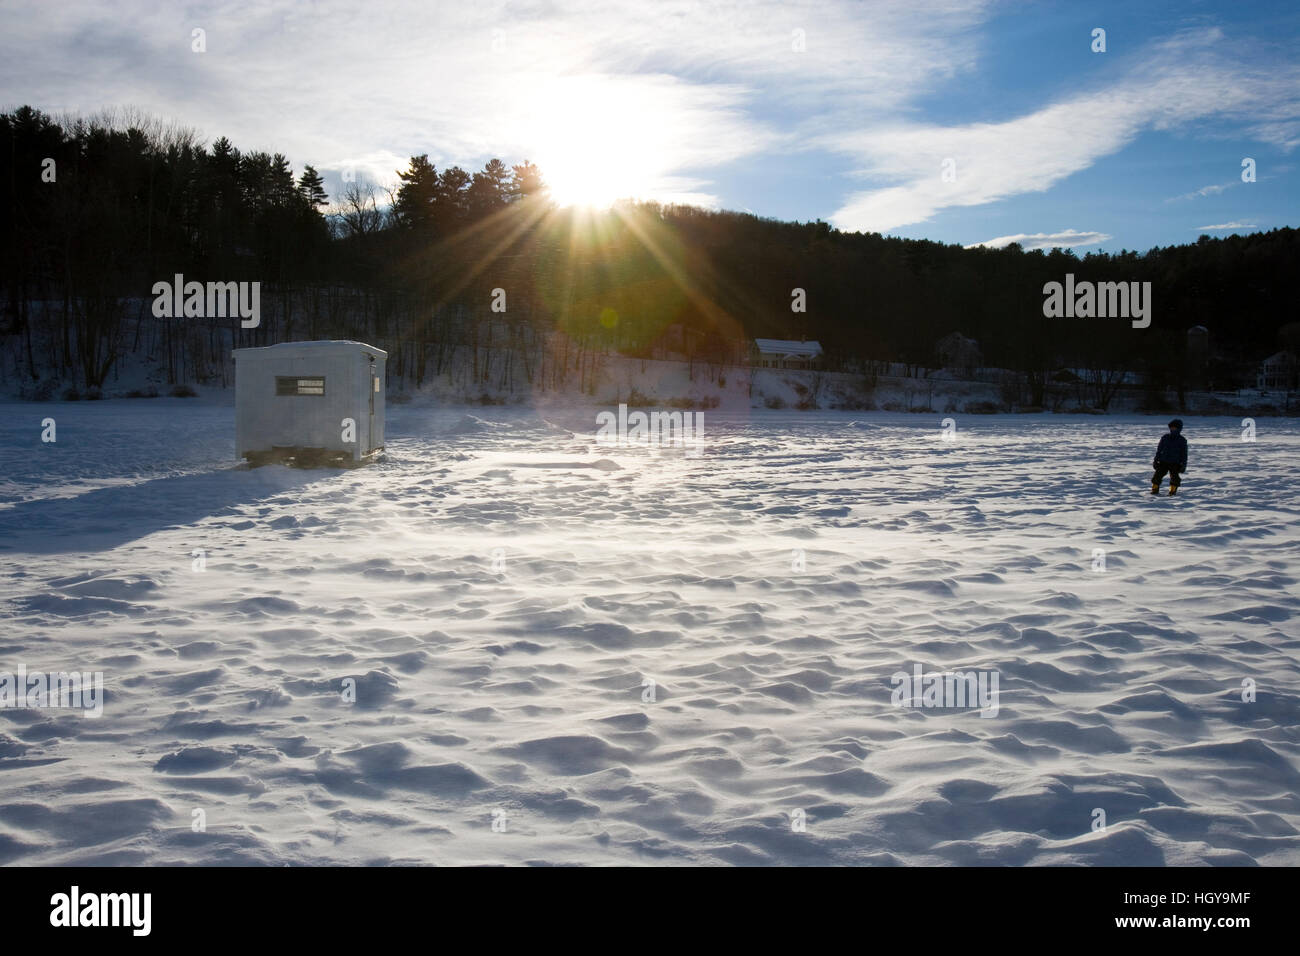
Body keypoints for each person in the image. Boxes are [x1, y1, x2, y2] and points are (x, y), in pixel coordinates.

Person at [1151, 418, 1188, 495]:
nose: (1172, 429)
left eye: (1175, 427)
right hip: (1163, 461)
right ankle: (1155, 489)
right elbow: (1159, 450)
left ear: (1179, 429)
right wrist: (1155, 460)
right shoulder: (1165, 437)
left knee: (1175, 478)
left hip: (1175, 463)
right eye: (1171, 427)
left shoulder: (1182, 440)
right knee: (1157, 476)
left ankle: (1173, 490)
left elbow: (1184, 454)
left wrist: (1183, 464)